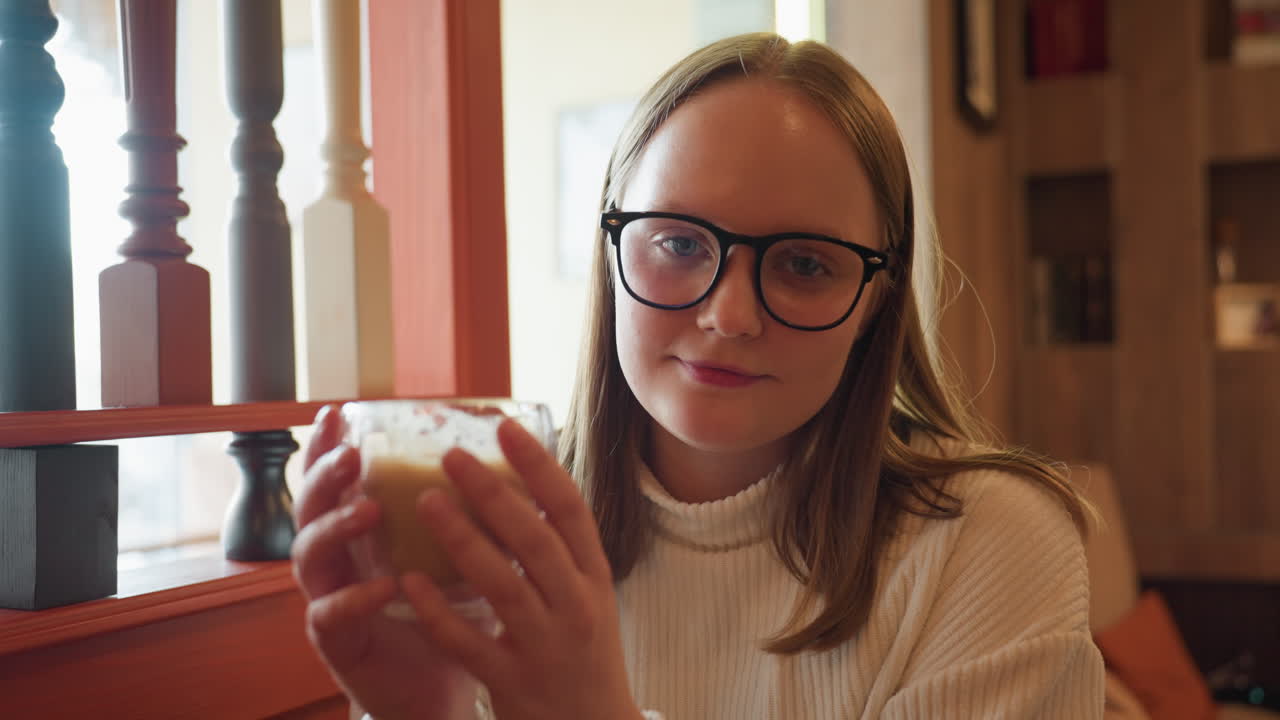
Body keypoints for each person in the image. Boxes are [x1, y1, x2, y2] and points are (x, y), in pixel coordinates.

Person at [291, 32, 1106, 719]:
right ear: (612, 251)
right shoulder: (497, 538)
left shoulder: (993, 545)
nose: (731, 315)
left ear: (874, 299)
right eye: (680, 243)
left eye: (803, 263)